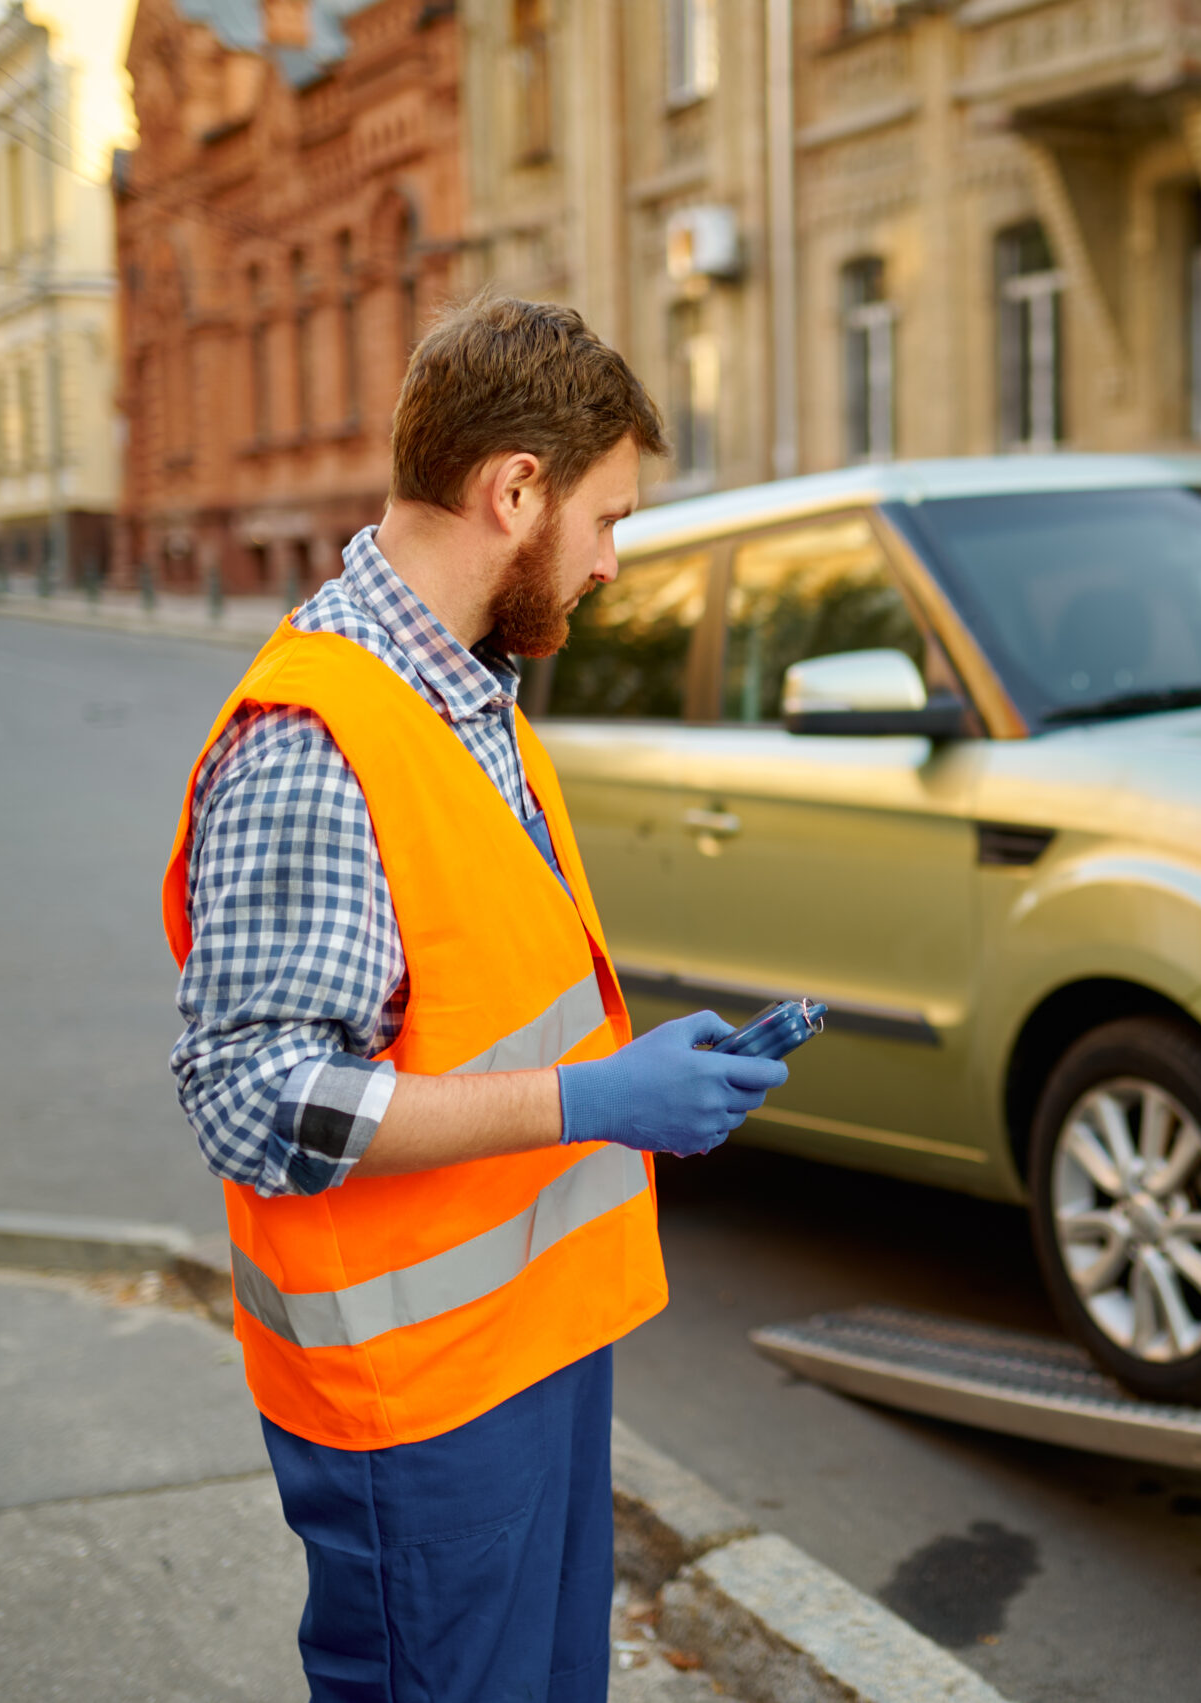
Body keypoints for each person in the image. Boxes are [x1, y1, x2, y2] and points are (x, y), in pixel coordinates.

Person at [163, 295, 785, 1702]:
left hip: (531, 1357)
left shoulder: (465, 695)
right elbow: (250, 1099)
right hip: (417, 1408)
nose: (615, 561)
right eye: (609, 520)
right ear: (516, 491)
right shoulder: (318, 740)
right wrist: (593, 1099)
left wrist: (646, 1083)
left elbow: (485, 990)